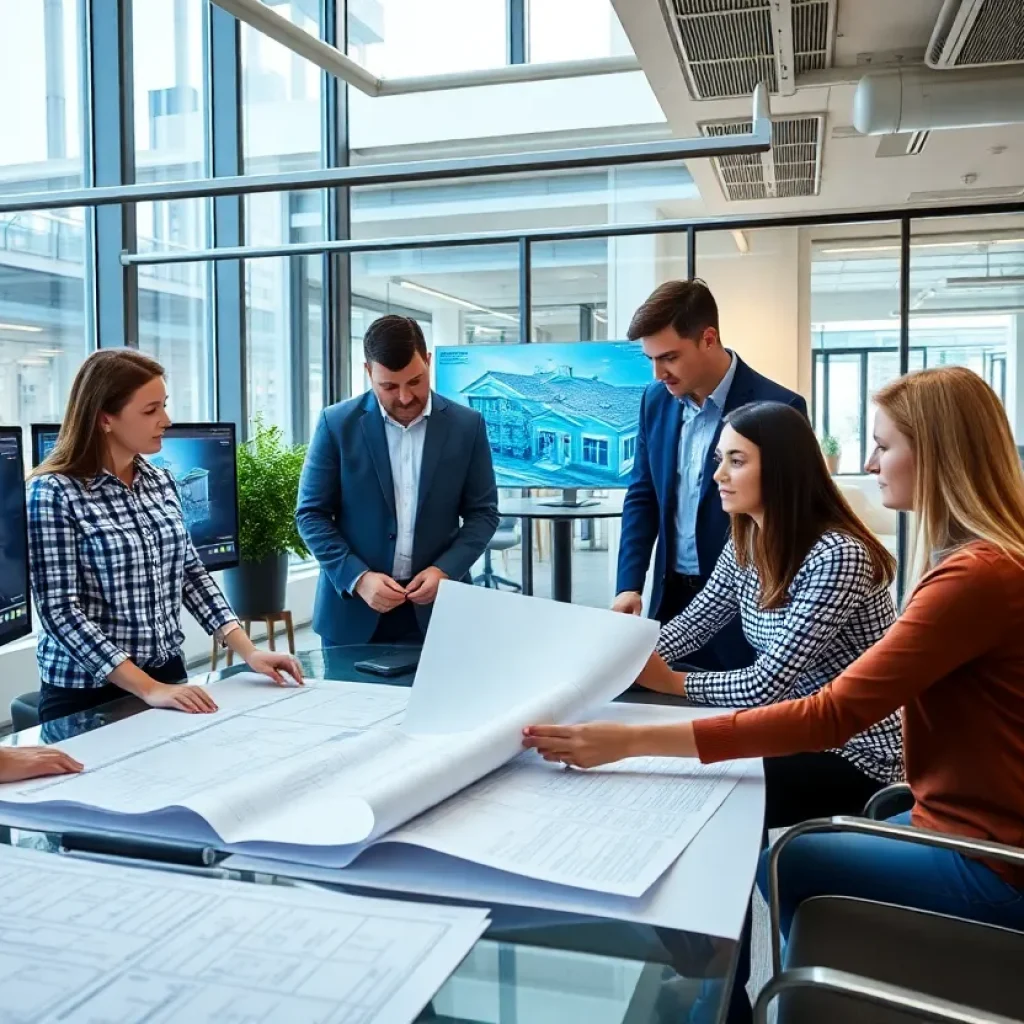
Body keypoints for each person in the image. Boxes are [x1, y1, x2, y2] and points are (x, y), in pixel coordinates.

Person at [525, 366, 1024, 953]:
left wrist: (646, 722)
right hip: (945, 811)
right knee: (711, 796)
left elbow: (822, 710)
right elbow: (687, 629)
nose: (869, 464)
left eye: (883, 447)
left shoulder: (947, 572)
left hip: (923, 804)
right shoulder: (750, 540)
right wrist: (589, 667)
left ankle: (795, 987)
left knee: (775, 857)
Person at [634, 399, 902, 1023]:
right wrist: (617, 659)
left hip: (857, 752)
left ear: (778, 468)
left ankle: (722, 984)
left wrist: (674, 684)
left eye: (735, 461)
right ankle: (707, 965)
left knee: (710, 792)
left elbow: (765, 684)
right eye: (718, 460)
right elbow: (691, 627)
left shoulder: (837, 554)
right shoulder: (749, 537)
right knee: (699, 784)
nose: (717, 476)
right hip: (792, 729)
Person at [28, 350, 301, 724]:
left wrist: (249, 652)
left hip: (167, 675)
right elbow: (60, 613)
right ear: (105, 418)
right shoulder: (52, 493)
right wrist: (148, 689)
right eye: (150, 410)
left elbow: (191, 575)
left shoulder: (160, 481)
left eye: (164, 406)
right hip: (89, 694)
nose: (166, 420)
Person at [614, 280, 807, 671]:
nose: (658, 373)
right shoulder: (655, 400)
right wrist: (629, 584)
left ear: (708, 339)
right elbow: (643, 494)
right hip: (671, 597)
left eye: (669, 357)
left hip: (746, 609)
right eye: (651, 359)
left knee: (739, 706)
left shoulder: (779, 407)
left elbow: (789, 516)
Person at [297, 315, 499, 647]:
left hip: (439, 608)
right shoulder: (336, 424)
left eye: (415, 381)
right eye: (389, 386)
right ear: (368, 372)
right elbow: (311, 514)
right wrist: (358, 578)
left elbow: (484, 514)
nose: (405, 397)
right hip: (353, 610)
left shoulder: (467, 426)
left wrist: (446, 570)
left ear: (428, 362)